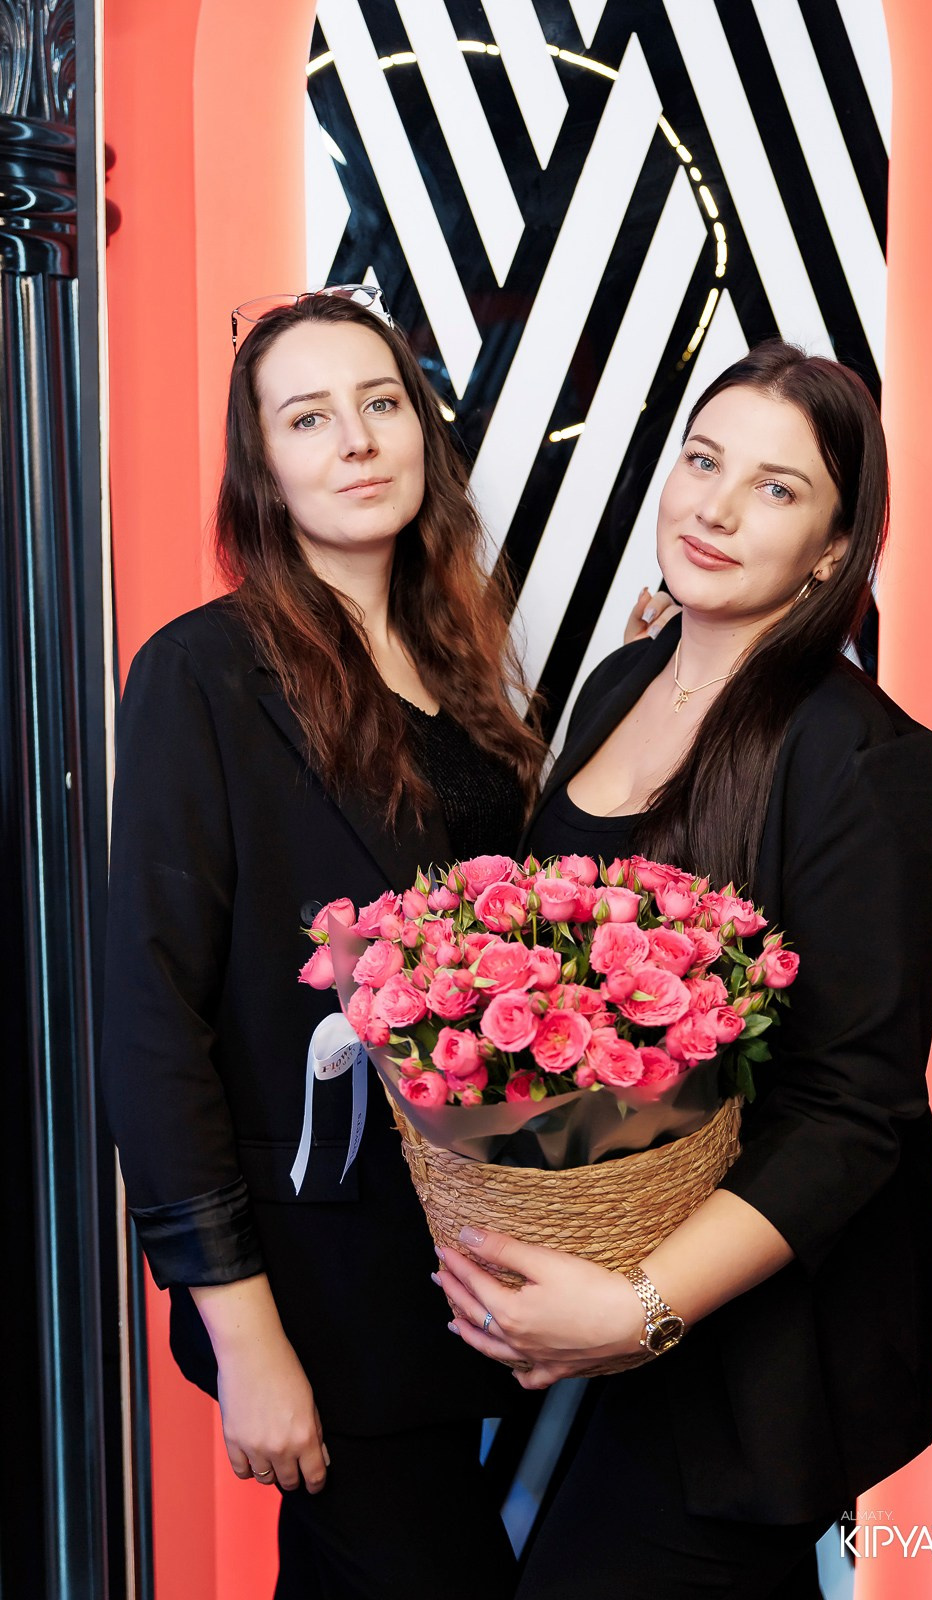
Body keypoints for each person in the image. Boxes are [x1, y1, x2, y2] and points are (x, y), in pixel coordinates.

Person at [434, 341, 932, 1598]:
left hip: (739, 1350)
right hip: (580, 1282)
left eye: (776, 488)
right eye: (703, 460)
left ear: (833, 550)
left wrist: (637, 1308)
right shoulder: (623, 679)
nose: (714, 508)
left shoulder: (866, 763)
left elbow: (850, 1112)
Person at [100, 288, 546, 1600]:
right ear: (262, 467)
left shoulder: (455, 664)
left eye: (379, 402)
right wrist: (244, 1337)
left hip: (456, 1265)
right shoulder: (202, 672)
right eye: (307, 417)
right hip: (314, 1285)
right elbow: (150, 1013)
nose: (355, 439)